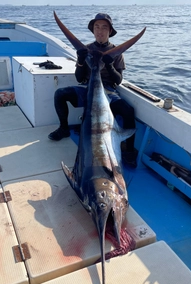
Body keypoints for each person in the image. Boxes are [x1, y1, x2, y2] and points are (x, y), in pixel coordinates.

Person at [48, 13, 138, 168]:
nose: (100, 31)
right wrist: (82, 61)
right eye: (97, 27)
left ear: (110, 31)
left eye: (104, 27)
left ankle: (129, 151)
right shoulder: (86, 50)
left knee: (128, 111)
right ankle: (64, 129)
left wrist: (109, 65)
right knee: (60, 94)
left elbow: (118, 80)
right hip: (88, 88)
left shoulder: (116, 53)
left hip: (108, 91)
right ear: (93, 30)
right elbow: (79, 78)